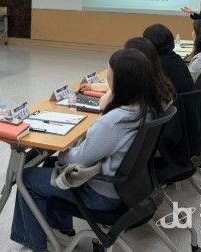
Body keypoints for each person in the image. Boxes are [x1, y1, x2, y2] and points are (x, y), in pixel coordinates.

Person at [11, 49, 166, 251]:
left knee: (27, 177)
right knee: (49, 162)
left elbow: (77, 159)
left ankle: (35, 245)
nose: (107, 76)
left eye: (110, 73)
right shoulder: (147, 109)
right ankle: (60, 226)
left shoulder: (114, 121)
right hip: (129, 188)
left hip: (100, 195)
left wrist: (65, 147)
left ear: (121, 82)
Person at [142, 23, 194, 93]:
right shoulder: (177, 58)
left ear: (149, 43)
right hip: (186, 98)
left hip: (175, 99)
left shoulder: (157, 65)